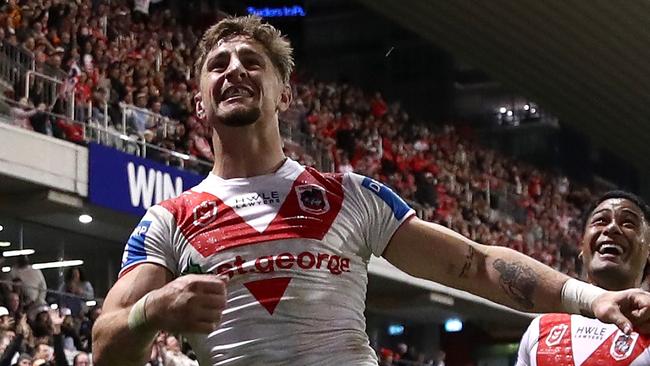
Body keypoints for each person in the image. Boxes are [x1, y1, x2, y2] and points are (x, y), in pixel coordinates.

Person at [92, 16, 650, 366]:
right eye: (218, 65)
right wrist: (152, 311)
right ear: (199, 101)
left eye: (251, 62)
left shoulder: (349, 194)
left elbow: (474, 265)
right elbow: (105, 344)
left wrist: (591, 299)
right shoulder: (167, 220)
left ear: (283, 92)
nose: (234, 70)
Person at [516, 191, 650, 365]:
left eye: (628, 223)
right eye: (601, 220)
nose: (612, 228)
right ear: (582, 247)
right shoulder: (540, 327)